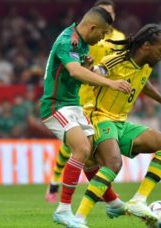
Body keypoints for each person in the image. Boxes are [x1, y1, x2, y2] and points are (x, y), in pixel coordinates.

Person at [70, 24, 161, 227]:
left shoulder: (146, 65)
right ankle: (78, 220)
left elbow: (142, 83)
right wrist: (90, 68)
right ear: (146, 46)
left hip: (121, 122)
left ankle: (138, 200)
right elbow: (98, 71)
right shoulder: (118, 59)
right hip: (98, 117)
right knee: (113, 163)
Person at [40, 6, 131, 228]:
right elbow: (74, 72)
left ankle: (112, 202)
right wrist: (110, 83)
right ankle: (63, 211)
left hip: (73, 104)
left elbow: (79, 74)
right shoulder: (67, 41)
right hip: (55, 106)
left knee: (89, 156)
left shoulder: (81, 43)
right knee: (81, 149)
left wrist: (87, 67)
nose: (102, 38)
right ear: (92, 27)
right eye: (102, 33)